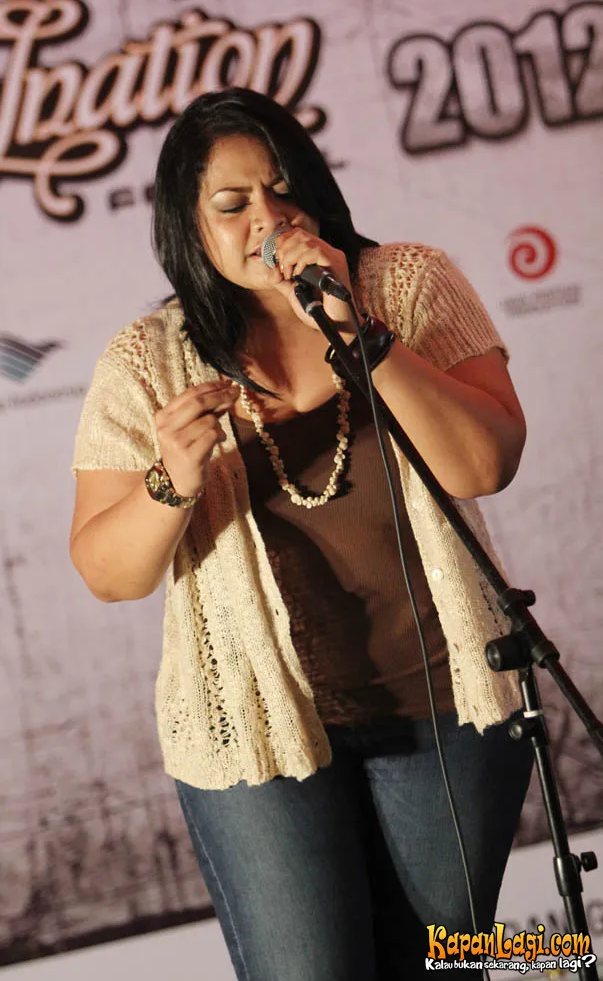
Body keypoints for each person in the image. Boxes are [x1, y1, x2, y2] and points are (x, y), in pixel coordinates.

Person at [70, 87, 533, 980]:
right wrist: (171, 482)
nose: (268, 218)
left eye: (283, 190)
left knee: (439, 967)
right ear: (188, 227)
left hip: (448, 711)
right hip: (255, 732)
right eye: (232, 203)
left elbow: (484, 464)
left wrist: (362, 335)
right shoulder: (146, 361)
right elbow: (108, 572)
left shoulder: (404, 284)